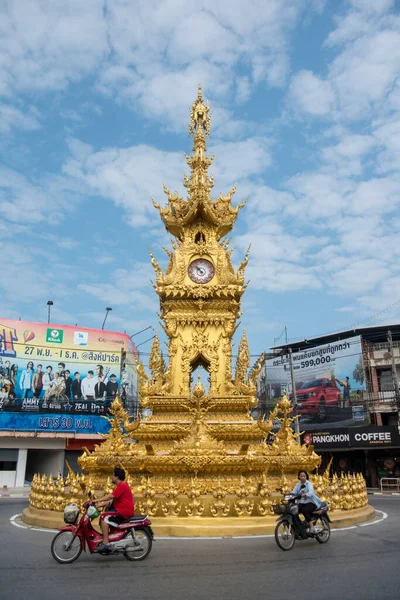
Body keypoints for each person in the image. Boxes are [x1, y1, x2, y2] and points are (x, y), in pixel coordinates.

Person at [94, 467, 135, 552]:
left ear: (117, 477)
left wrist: (96, 500)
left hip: (124, 511)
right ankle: (109, 537)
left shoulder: (122, 485)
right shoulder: (120, 486)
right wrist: (98, 505)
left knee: (104, 517)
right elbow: (111, 501)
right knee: (105, 516)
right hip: (120, 510)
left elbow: (110, 496)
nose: (112, 477)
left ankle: (105, 542)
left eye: (113, 475)